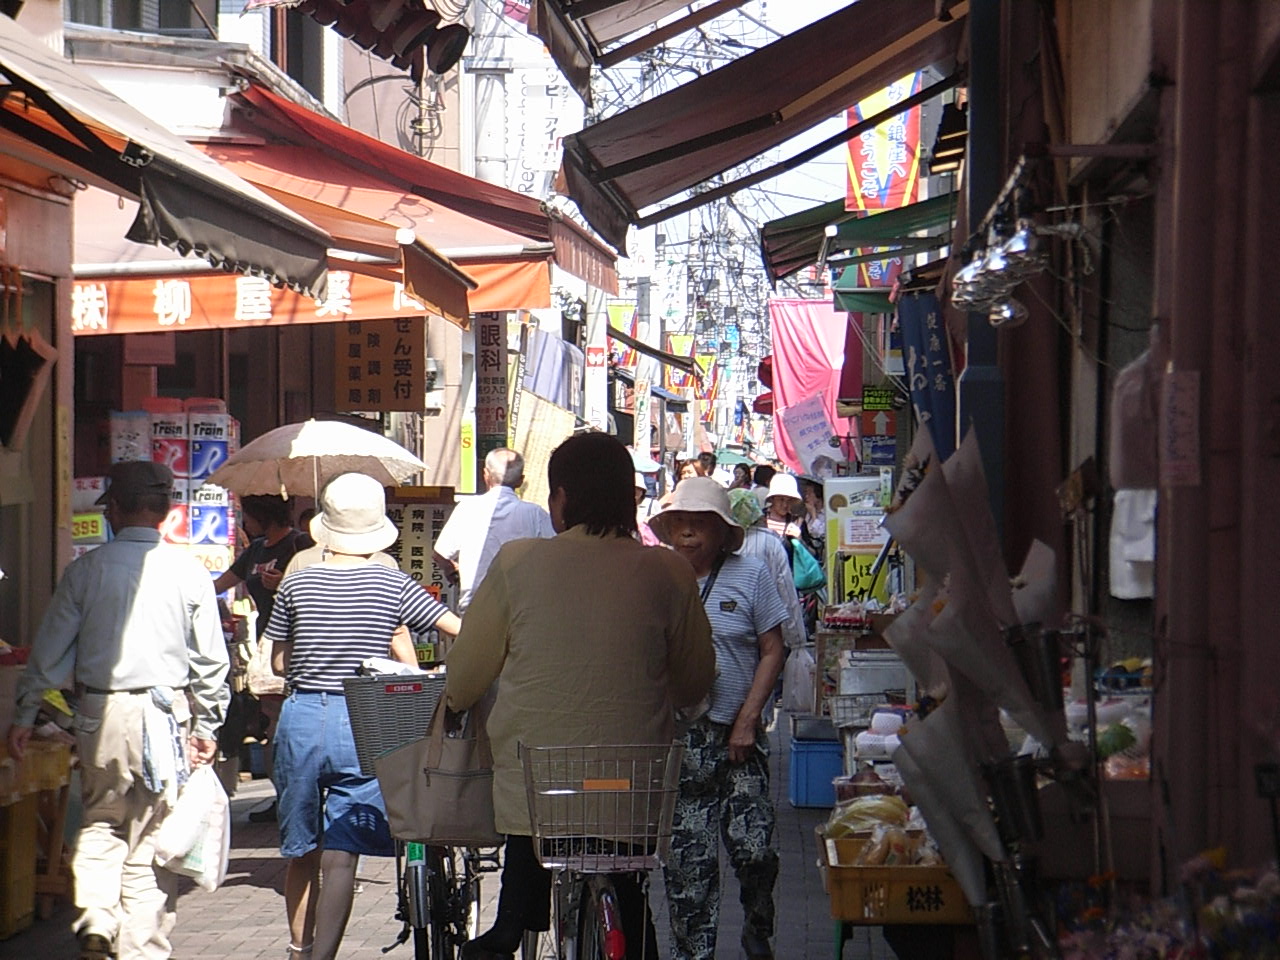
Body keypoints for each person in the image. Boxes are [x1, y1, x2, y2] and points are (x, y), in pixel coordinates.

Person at [445, 432, 715, 960]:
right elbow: (693, 684)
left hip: (540, 791)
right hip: (631, 788)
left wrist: (457, 703)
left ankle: (510, 926)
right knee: (632, 894)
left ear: (562, 498)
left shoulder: (519, 563)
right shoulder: (670, 571)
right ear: (626, 499)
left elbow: (464, 678)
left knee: (539, 799)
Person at [6, 460, 229, 960]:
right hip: (164, 716)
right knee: (150, 839)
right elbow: (212, 661)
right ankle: (141, 950)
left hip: (99, 715)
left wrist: (25, 715)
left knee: (102, 821)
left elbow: (49, 651)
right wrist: (208, 724)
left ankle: (97, 919)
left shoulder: (85, 571)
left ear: (118, 509)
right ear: (166, 511)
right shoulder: (190, 573)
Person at [265, 472, 460, 960]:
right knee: (341, 848)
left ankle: (297, 949)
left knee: (301, 851)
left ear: (324, 527)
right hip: (364, 719)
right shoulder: (391, 581)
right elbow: (457, 627)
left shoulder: (297, 580)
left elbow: (276, 662)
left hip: (302, 717)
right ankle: (325, 954)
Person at [648, 478, 787, 960]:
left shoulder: (750, 575)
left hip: (737, 735)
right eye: (680, 524)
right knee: (690, 870)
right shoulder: (657, 578)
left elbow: (774, 648)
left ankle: (758, 920)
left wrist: (750, 718)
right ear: (666, 529)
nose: (689, 535)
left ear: (722, 531)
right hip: (680, 742)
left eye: (700, 525)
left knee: (755, 848)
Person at [213, 494, 304, 821]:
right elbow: (223, 583)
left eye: (246, 516)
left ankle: (297, 797)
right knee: (270, 724)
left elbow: (314, 586)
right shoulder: (255, 550)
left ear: (262, 515)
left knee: (286, 721)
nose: (243, 524)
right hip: (266, 644)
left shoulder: (300, 545)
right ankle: (284, 797)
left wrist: (285, 583)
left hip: (295, 644)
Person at [433, 448, 555, 613]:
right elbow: (555, 555)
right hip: (520, 611)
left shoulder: (467, 509)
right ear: (520, 480)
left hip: (475, 609)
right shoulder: (535, 514)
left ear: (486, 474)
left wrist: (452, 571)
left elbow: (440, 554)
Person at [728, 489, 806, 652]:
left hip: (728, 633)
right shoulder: (771, 543)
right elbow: (786, 595)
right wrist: (797, 641)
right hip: (767, 632)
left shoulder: (721, 544)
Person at [763, 473, 804, 540]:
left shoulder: (797, 522)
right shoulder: (760, 519)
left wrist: (799, 538)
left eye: (789, 500)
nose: (785, 505)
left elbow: (808, 549)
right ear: (772, 499)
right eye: (781, 499)